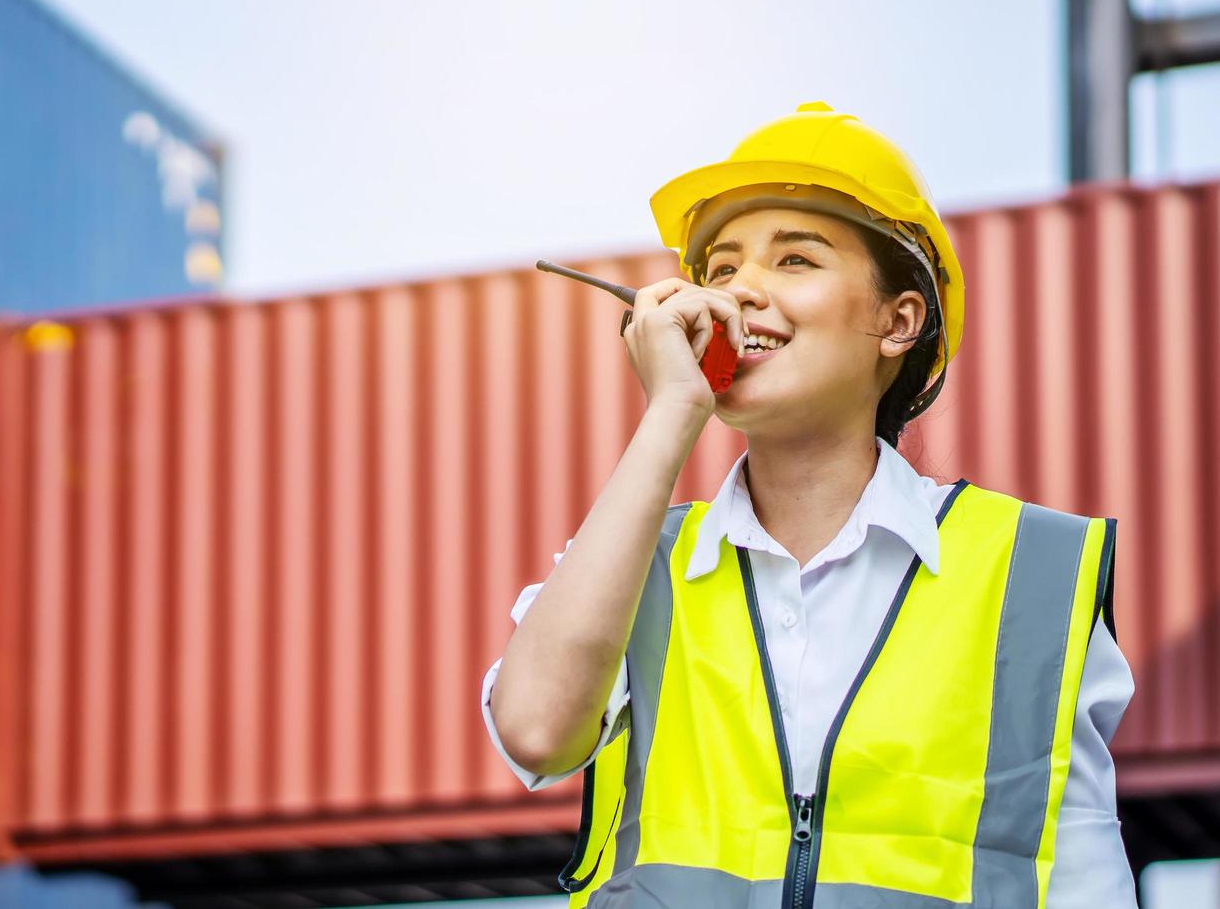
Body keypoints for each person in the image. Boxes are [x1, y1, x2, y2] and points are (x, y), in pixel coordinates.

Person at [480, 102, 1137, 908]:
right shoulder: (633, 568)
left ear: (899, 322)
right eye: (720, 269)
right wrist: (671, 413)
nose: (740, 291)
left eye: (795, 261)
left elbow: (1085, 882)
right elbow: (536, 734)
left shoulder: (1032, 581)